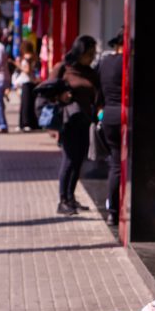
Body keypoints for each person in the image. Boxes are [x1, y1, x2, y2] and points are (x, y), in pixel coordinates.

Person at [50, 35, 101, 215]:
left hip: (85, 122)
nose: (92, 57)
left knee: (79, 160)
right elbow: (47, 91)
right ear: (80, 52)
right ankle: (62, 200)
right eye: (89, 53)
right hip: (69, 121)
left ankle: (71, 197)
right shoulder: (64, 68)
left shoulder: (90, 71)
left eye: (94, 53)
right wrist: (61, 97)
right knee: (69, 160)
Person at [98, 32, 124, 226]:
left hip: (109, 115)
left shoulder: (105, 62)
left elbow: (98, 91)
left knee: (115, 165)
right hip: (126, 115)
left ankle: (113, 212)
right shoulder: (129, 63)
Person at [14, 43, 39, 132]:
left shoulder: (27, 57)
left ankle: (26, 123)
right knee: (28, 104)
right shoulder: (33, 56)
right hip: (30, 81)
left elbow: (27, 70)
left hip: (27, 81)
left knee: (26, 104)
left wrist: (18, 65)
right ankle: (28, 123)